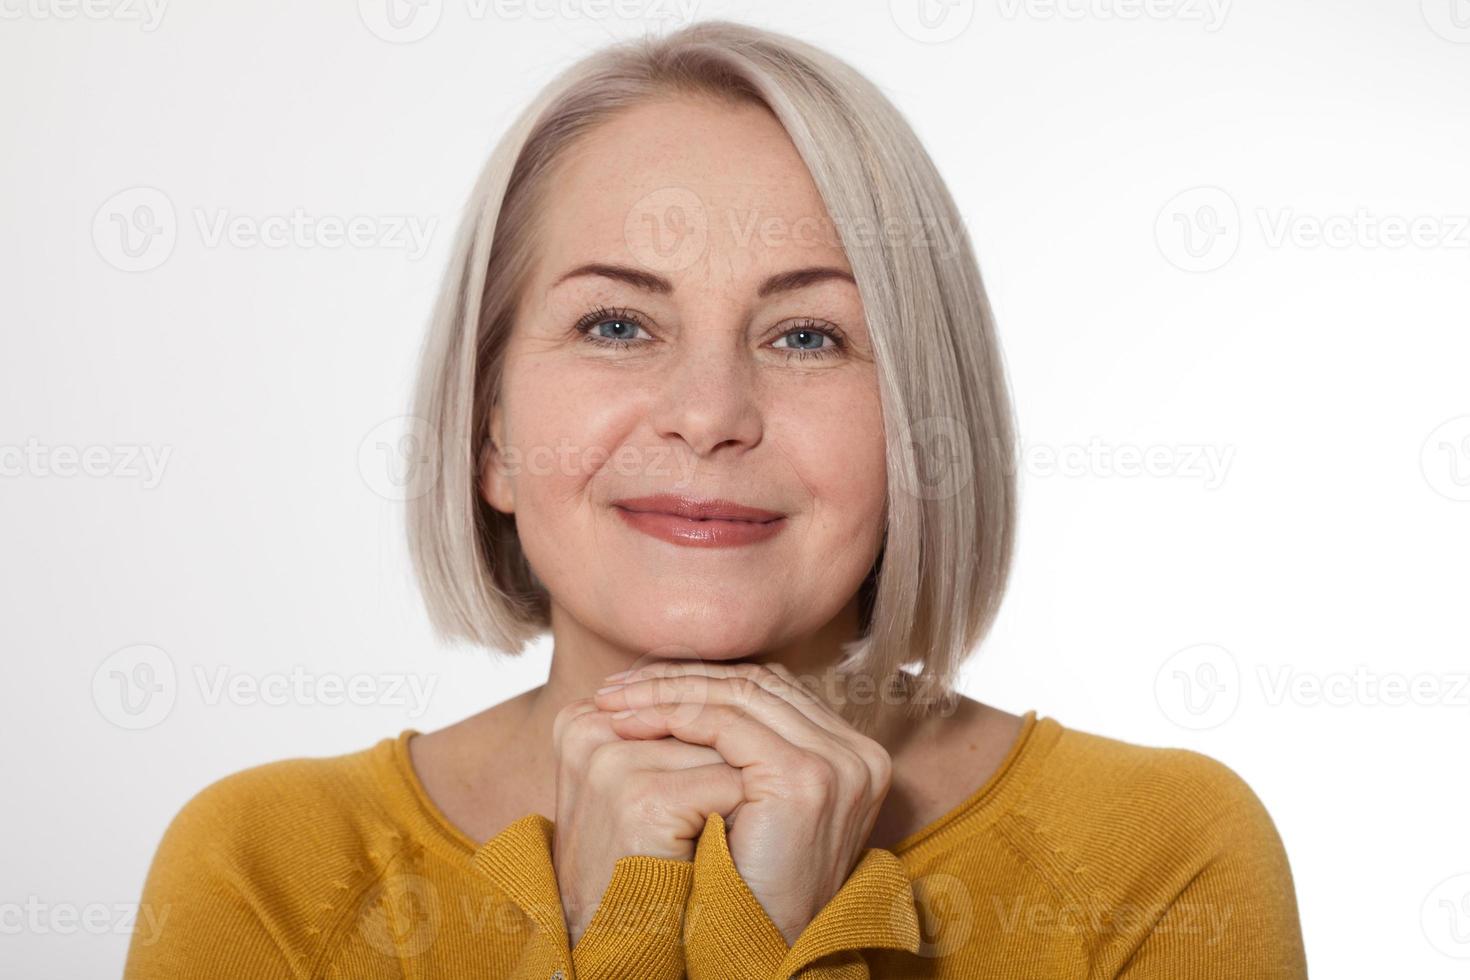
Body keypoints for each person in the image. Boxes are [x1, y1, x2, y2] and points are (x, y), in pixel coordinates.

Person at [124, 20, 1307, 979]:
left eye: (806, 334)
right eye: (616, 323)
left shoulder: (1160, 857)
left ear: (918, 431)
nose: (707, 411)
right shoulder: (266, 871)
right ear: (489, 433)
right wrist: (597, 934)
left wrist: (783, 941)